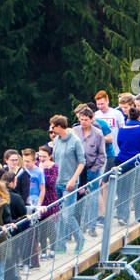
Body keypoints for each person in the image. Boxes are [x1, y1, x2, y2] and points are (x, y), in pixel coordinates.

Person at [49, 115, 86, 254]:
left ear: (59, 126)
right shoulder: (56, 141)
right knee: (57, 215)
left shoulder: (75, 141)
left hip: (69, 183)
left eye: (53, 127)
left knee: (67, 215)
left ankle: (80, 238)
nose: (52, 130)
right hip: (56, 183)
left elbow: (82, 162)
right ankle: (61, 244)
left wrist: (73, 179)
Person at [74, 105, 106, 235]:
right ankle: (79, 227)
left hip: (92, 168)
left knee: (93, 198)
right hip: (77, 170)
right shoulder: (75, 131)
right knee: (78, 198)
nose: (83, 122)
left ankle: (92, 226)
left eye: (86, 119)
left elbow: (102, 155)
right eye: (81, 119)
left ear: (91, 119)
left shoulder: (98, 134)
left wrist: (94, 169)